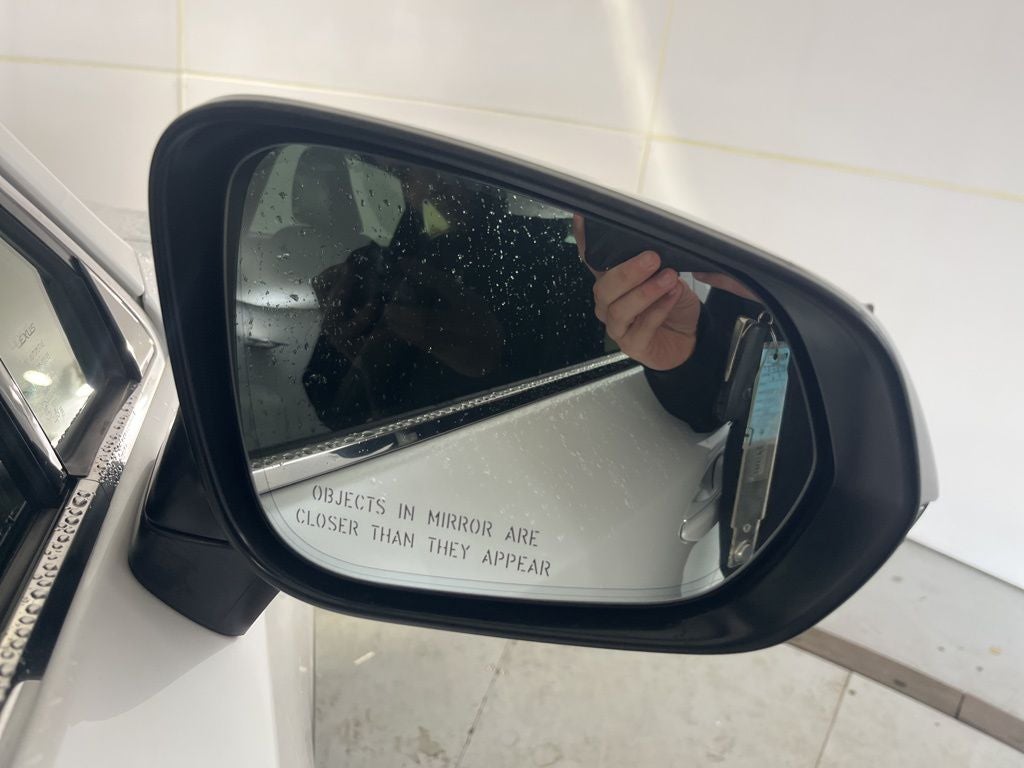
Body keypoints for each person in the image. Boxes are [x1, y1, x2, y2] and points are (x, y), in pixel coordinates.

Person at [575, 215, 812, 574]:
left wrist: (808, 311)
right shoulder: (763, 229)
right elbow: (712, 405)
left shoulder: (867, 265)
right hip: (751, 558)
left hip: (843, 553)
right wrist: (685, 357)